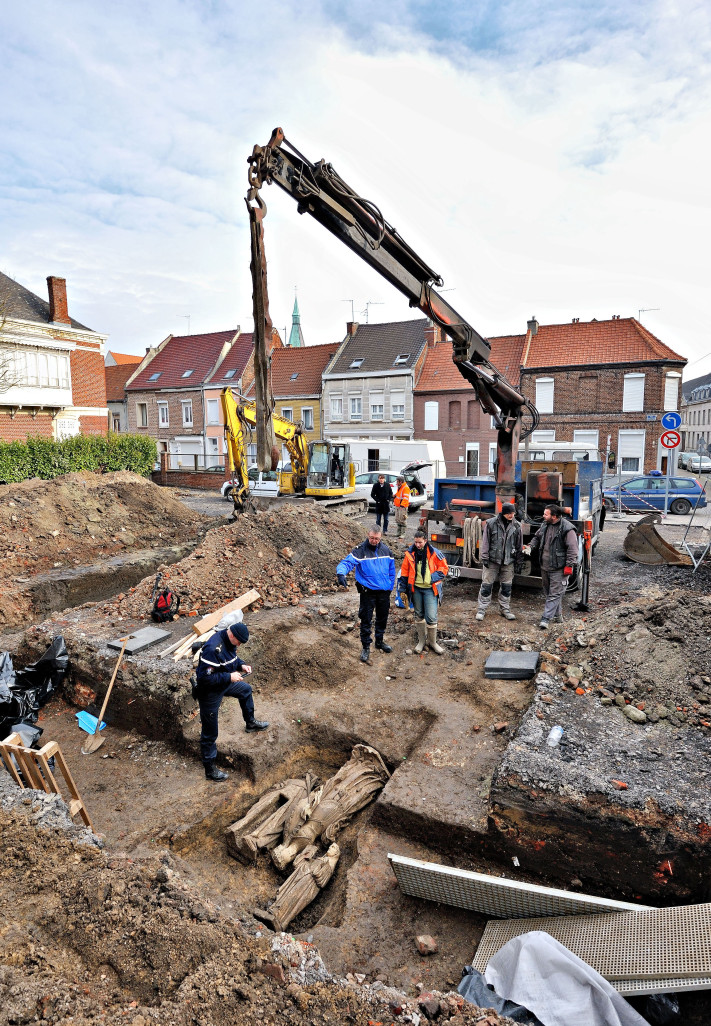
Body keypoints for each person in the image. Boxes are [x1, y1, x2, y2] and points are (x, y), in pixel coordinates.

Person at [195, 616, 269, 780]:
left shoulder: (229, 641)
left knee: (245, 690)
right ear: (233, 636)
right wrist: (229, 677)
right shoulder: (213, 648)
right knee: (210, 732)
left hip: (223, 682)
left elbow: (232, 659)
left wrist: (241, 665)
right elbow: (204, 679)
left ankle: (250, 723)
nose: (239, 646)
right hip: (209, 691)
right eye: (239, 642)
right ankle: (210, 770)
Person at [336, 526, 396, 662]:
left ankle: (379, 641)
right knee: (366, 619)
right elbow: (346, 563)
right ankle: (366, 647)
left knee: (382, 618)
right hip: (368, 593)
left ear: (380, 537)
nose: (374, 541)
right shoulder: (360, 551)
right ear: (368, 536)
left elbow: (392, 570)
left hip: (384, 593)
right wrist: (341, 573)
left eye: (377, 538)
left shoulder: (386, 551)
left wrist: (389, 586)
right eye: (372, 538)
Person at [528, 504, 579, 630]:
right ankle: (558, 616)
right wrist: (530, 546)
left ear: (554, 516)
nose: (543, 516)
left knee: (555, 594)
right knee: (549, 592)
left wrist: (569, 565)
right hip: (545, 567)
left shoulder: (567, 529)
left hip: (559, 568)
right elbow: (537, 537)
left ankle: (545, 618)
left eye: (546, 514)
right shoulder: (545, 524)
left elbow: (573, 549)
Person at [398, 528, 449, 655]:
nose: (417, 545)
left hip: (430, 589)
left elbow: (444, 568)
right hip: (416, 589)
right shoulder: (410, 554)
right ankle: (421, 641)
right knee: (419, 615)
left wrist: (432, 578)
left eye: (420, 542)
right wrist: (402, 589)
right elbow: (404, 572)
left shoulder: (434, 553)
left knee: (431, 617)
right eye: (415, 542)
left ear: (425, 541)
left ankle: (433, 642)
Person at [475, 502, 523, 621]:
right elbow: (485, 542)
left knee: (507, 587)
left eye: (513, 513)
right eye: (509, 513)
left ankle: (504, 609)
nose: (512, 515)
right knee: (486, 585)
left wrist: (519, 561)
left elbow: (519, 545)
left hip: (508, 561)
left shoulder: (517, 526)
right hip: (492, 560)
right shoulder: (491, 524)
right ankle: (481, 609)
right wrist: (484, 557)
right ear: (503, 513)